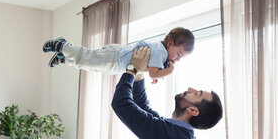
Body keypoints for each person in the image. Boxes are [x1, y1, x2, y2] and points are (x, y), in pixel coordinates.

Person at [42, 27, 195, 84]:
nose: (177, 59)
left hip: (117, 62)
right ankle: (62, 45)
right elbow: (152, 72)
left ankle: (64, 57)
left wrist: (157, 73)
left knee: (88, 65)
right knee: (86, 58)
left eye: (181, 58)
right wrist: (169, 71)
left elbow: (150, 70)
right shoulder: (161, 52)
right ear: (170, 43)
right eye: (179, 54)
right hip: (115, 58)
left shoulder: (160, 54)